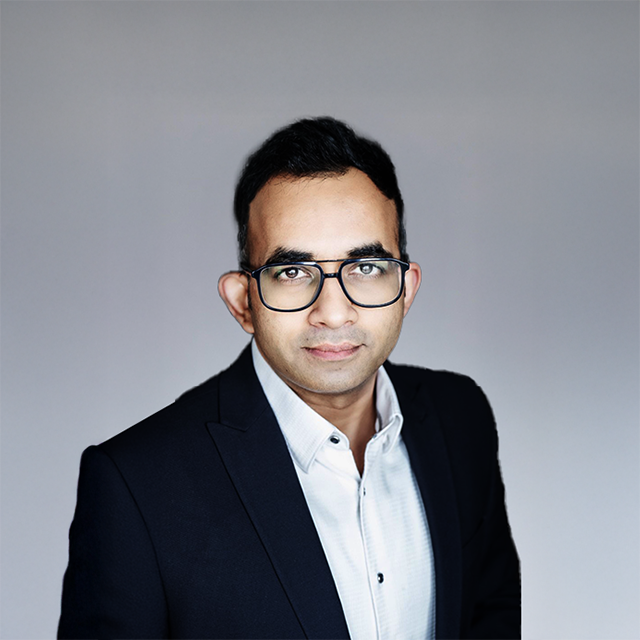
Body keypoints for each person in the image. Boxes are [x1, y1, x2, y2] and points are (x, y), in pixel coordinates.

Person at [58, 117, 520, 639]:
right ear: (243, 302)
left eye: (366, 267)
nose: (333, 312)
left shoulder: (461, 416)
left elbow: (490, 610)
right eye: (292, 272)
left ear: (406, 288)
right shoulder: (136, 484)